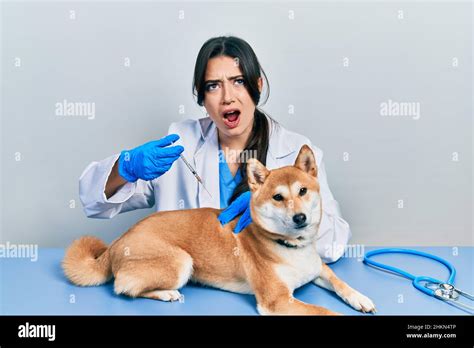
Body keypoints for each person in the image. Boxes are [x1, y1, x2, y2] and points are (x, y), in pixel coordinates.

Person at [78, 36, 351, 263]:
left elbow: (334, 244)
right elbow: (93, 201)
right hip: (192, 285)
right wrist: (127, 166)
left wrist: (277, 216)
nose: (227, 97)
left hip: (262, 284)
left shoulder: (293, 151)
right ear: (201, 95)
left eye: (238, 81)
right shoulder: (180, 143)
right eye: (213, 86)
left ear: (258, 85)